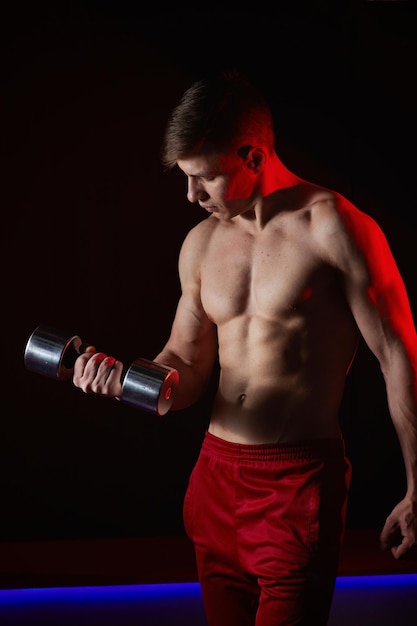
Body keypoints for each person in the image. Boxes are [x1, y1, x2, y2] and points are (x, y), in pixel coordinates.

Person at [72, 71, 417, 626]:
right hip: (213, 484)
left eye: (204, 179)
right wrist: (122, 382)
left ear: (253, 156)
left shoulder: (335, 228)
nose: (191, 196)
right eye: (185, 179)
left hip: (296, 486)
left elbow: (398, 351)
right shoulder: (202, 244)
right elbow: (183, 365)